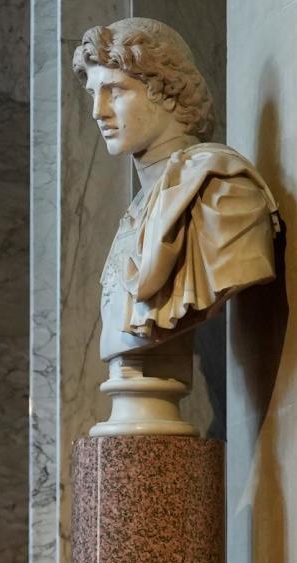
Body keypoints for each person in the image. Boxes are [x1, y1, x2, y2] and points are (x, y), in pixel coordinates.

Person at [72, 19, 280, 380]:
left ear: (168, 90)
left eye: (116, 91)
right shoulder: (138, 208)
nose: (98, 111)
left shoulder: (222, 191)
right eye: (93, 94)